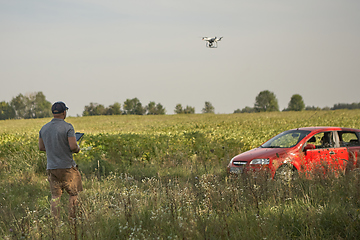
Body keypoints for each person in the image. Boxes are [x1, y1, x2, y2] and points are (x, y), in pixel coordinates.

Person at [38, 101, 82, 220]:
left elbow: (41, 147)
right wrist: (78, 148)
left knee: (55, 196)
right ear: (64, 112)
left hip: (52, 167)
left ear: (53, 113)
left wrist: (54, 147)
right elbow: (73, 147)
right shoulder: (68, 127)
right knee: (73, 194)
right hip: (67, 167)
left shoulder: (44, 128)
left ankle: (55, 224)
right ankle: (73, 221)